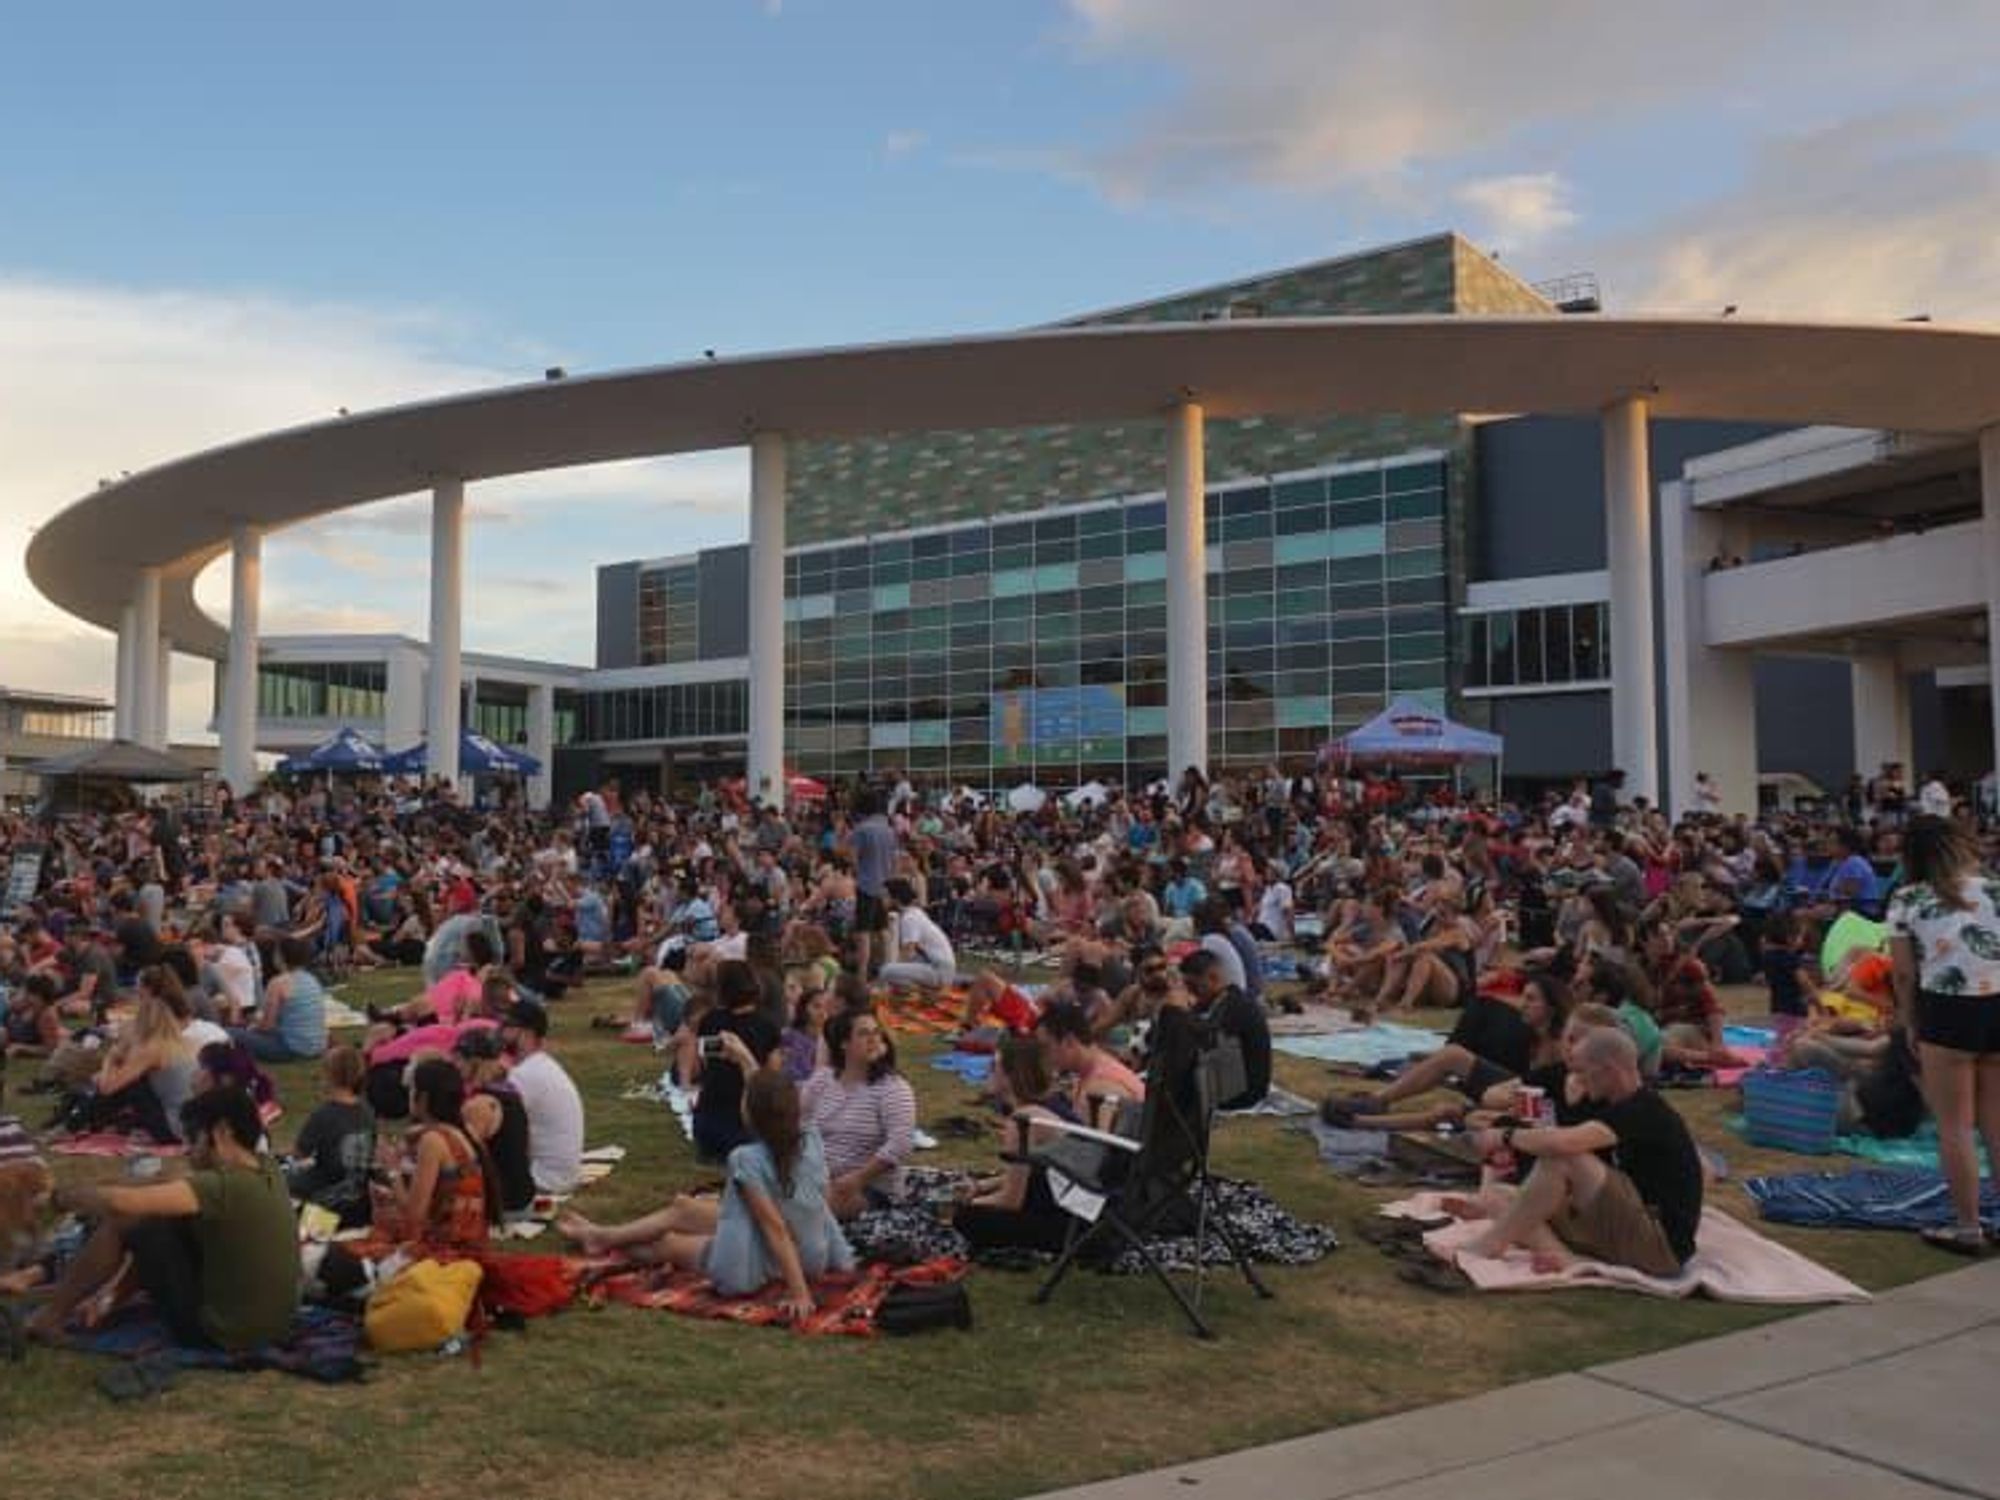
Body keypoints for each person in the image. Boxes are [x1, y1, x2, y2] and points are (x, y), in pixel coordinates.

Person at [27, 1086, 300, 1351]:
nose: (187, 1149)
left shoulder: (223, 1187)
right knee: (160, 1223)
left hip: (220, 1334)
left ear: (221, 1132)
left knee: (127, 1219)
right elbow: (168, 1195)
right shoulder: (267, 1169)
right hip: (273, 1327)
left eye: (193, 1137)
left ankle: (48, 1318)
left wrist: (57, 1199)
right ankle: (108, 1301)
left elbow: (122, 1203)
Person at [561, 1070, 851, 1317]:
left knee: (665, 1243)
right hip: (813, 1251)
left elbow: (774, 1227)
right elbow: (809, 1205)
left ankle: (602, 1239)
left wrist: (799, 1292)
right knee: (684, 1208)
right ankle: (602, 1236)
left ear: (748, 1111)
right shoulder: (810, 1139)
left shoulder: (746, 1159)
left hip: (748, 1264)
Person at [1461, 1026, 1704, 1276]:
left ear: (1608, 1068)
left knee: (1563, 1158)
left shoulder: (1643, 1109)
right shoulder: (1612, 1104)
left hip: (1659, 1244)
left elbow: (1563, 1144)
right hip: (1625, 1222)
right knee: (1499, 1196)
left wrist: (1505, 1136)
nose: (1576, 1079)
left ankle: (1488, 1246)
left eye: (1581, 1071)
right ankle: (1566, 1259)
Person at [1886, 814, 2000, 1255]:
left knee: (1955, 1126)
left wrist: (1909, 1020)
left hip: (1947, 1008)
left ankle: (1968, 1226)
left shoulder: (1908, 898)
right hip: (1996, 999)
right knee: (1996, 1122)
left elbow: (1902, 973)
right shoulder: (1993, 887)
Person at [372, 1057, 501, 1250]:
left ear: (423, 1098)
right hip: (470, 1245)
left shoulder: (432, 1141)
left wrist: (392, 1170)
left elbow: (414, 1216)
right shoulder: (463, 1131)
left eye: (412, 1089)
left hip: (445, 1252)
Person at [802, 1009, 917, 1217]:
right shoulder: (822, 1080)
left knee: (805, 1210)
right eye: (864, 1033)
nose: (874, 1039)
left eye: (876, 1032)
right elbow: (797, 1125)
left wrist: (857, 1178)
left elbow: (901, 1144)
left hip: (866, 1189)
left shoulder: (893, 1087)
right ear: (844, 1044)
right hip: (816, 1176)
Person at [685, 960, 781, 1162]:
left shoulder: (710, 1021)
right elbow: (772, 1079)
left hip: (707, 1126)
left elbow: (699, 1066)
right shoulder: (768, 1026)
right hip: (743, 1126)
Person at [499, 1000, 585, 1195]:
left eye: (507, 1027)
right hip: (562, 1174)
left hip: (543, 1179)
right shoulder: (541, 1065)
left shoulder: (524, 1075)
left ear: (526, 1034)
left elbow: (495, 1130)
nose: (501, 1033)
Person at [285, 1045, 376, 1228]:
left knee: (283, 1180)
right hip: (360, 1188)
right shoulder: (367, 1110)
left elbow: (299, 1153)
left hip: (328, 1188)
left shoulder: (324, 1114)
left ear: (329, 1077)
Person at [1178, 948, 1271, 1109]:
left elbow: (1200, 1042)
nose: (1190, 992)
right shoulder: (1222, 1000)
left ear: (1213, 978)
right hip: (1237, 1084)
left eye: (1193, 986)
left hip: (1243, 1094)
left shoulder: (1236, 1008)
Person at [1036, 999, 1143, 1129]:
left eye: (1046, 1047)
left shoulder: (1101, 1088)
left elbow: (1103, 1147)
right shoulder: (1096, 1070)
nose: (1044, 1056)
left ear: (1068, 1041)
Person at [229, 935, 326, 1064]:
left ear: (281, 957)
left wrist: (252, 1027)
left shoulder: (278, 983)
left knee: (229, 1032)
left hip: (291, 1049)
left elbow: (267, 1026)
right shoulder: (312, 979)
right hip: (317, 1046)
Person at [850, 789, 898, 977]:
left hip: (866, 884)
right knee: (883, 929)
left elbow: (853, 857)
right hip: (883, 885)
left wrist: (856, 872)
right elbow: (894, 860)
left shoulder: (862, 829)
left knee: (863, 932)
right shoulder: (889, 830)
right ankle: (889, 967)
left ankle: (861, 973)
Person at [880, 877, 956, 993]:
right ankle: (924, 991)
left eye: (885, 896)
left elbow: (908, 952)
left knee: (885, 971)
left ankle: (928, 992)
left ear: (895, 898)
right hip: (937, 966)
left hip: (939, 970)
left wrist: (892, 970)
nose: (882, 900)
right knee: (893, 971)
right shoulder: (914, 913)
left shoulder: (910, 918)